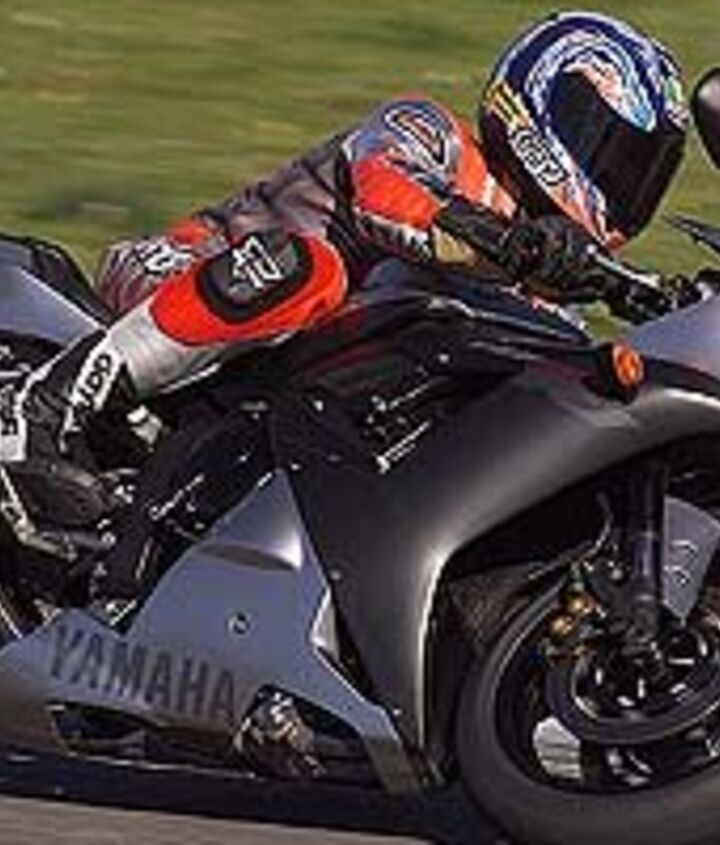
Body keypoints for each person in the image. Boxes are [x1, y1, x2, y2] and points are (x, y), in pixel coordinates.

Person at [0, 10, 688, 468]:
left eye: (641, 173)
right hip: (188, 270)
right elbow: (391, 203)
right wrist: (519, 247)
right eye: (612, 152)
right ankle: (40, 403)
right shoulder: (431, 133)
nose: (622, 185)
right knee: (313, 270)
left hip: (279, 382)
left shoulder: (540, 291)